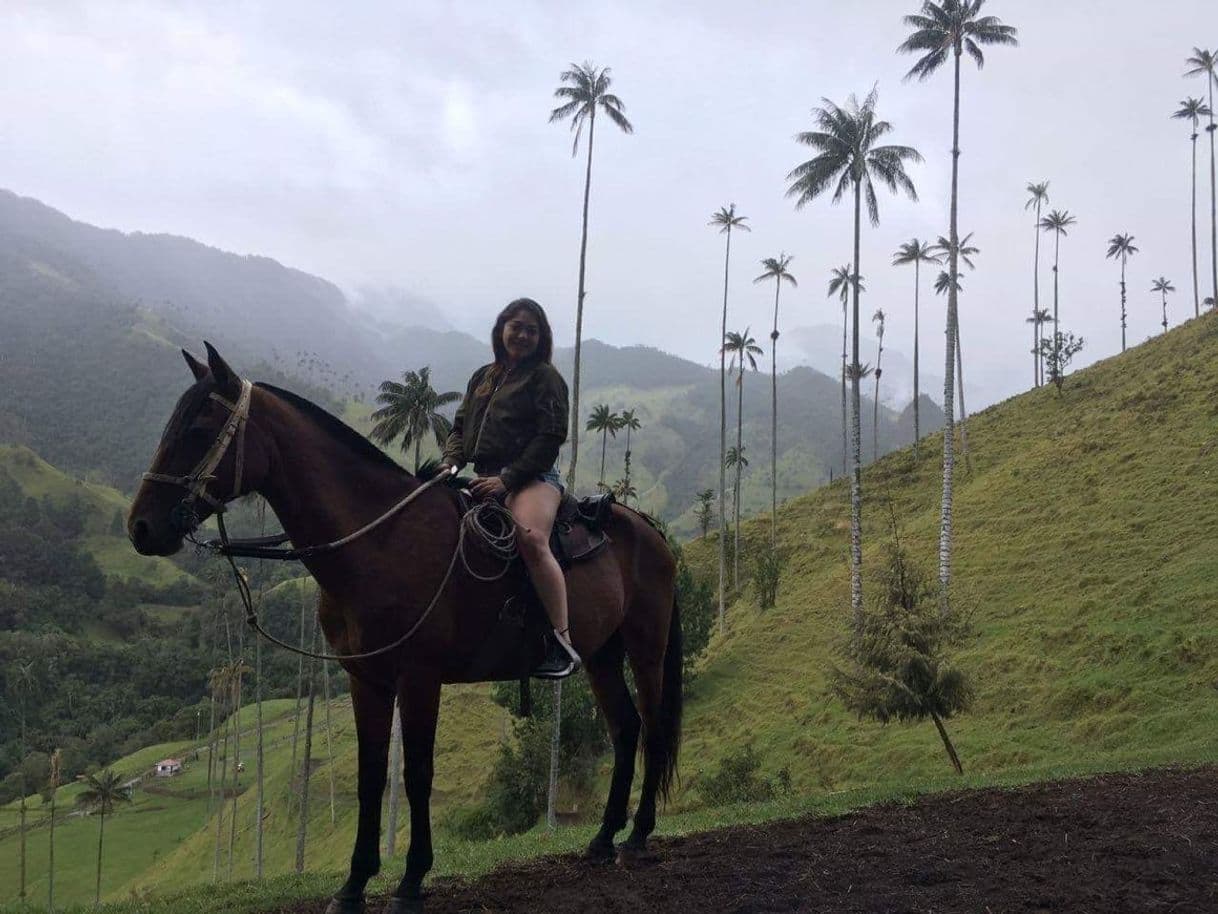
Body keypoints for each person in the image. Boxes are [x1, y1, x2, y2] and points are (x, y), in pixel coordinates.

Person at [439, 298, 581, 679]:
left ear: (541, 337)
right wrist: (451, 462)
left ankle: (560, 642)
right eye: (516, 326)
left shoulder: (545, 378)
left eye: (531, 330)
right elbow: (459, 426)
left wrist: (508, 479)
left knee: (531, 539)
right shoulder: (483, 376)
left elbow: (551, 436)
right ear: (502, 329)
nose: (522, 334)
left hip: (531, 478)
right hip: (483, 478)